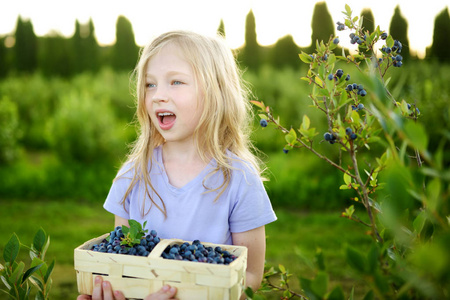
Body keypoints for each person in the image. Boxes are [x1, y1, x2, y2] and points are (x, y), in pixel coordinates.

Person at [78, 30, 277, 300]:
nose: (158, 95)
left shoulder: (239, 179)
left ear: (215, 92)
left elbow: (250, 277)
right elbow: (122, 260)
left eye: (176, 82)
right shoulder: (133, 176)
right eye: (150, 84)